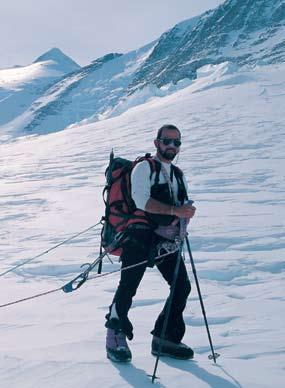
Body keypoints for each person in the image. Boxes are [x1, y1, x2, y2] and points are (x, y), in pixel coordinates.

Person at [105, 124, 196, 362]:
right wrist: (177, 210)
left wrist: (183, 216)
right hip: (139, 234)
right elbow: (141, 201)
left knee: (181, 286)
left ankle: (165, 338)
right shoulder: (144, 167)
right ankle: (115, 336)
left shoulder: (178, 174)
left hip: (167, 239)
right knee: (128, 287)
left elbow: (182, 206)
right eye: (167, 141)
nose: (172, 146)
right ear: (157, 143)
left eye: (177, 142)